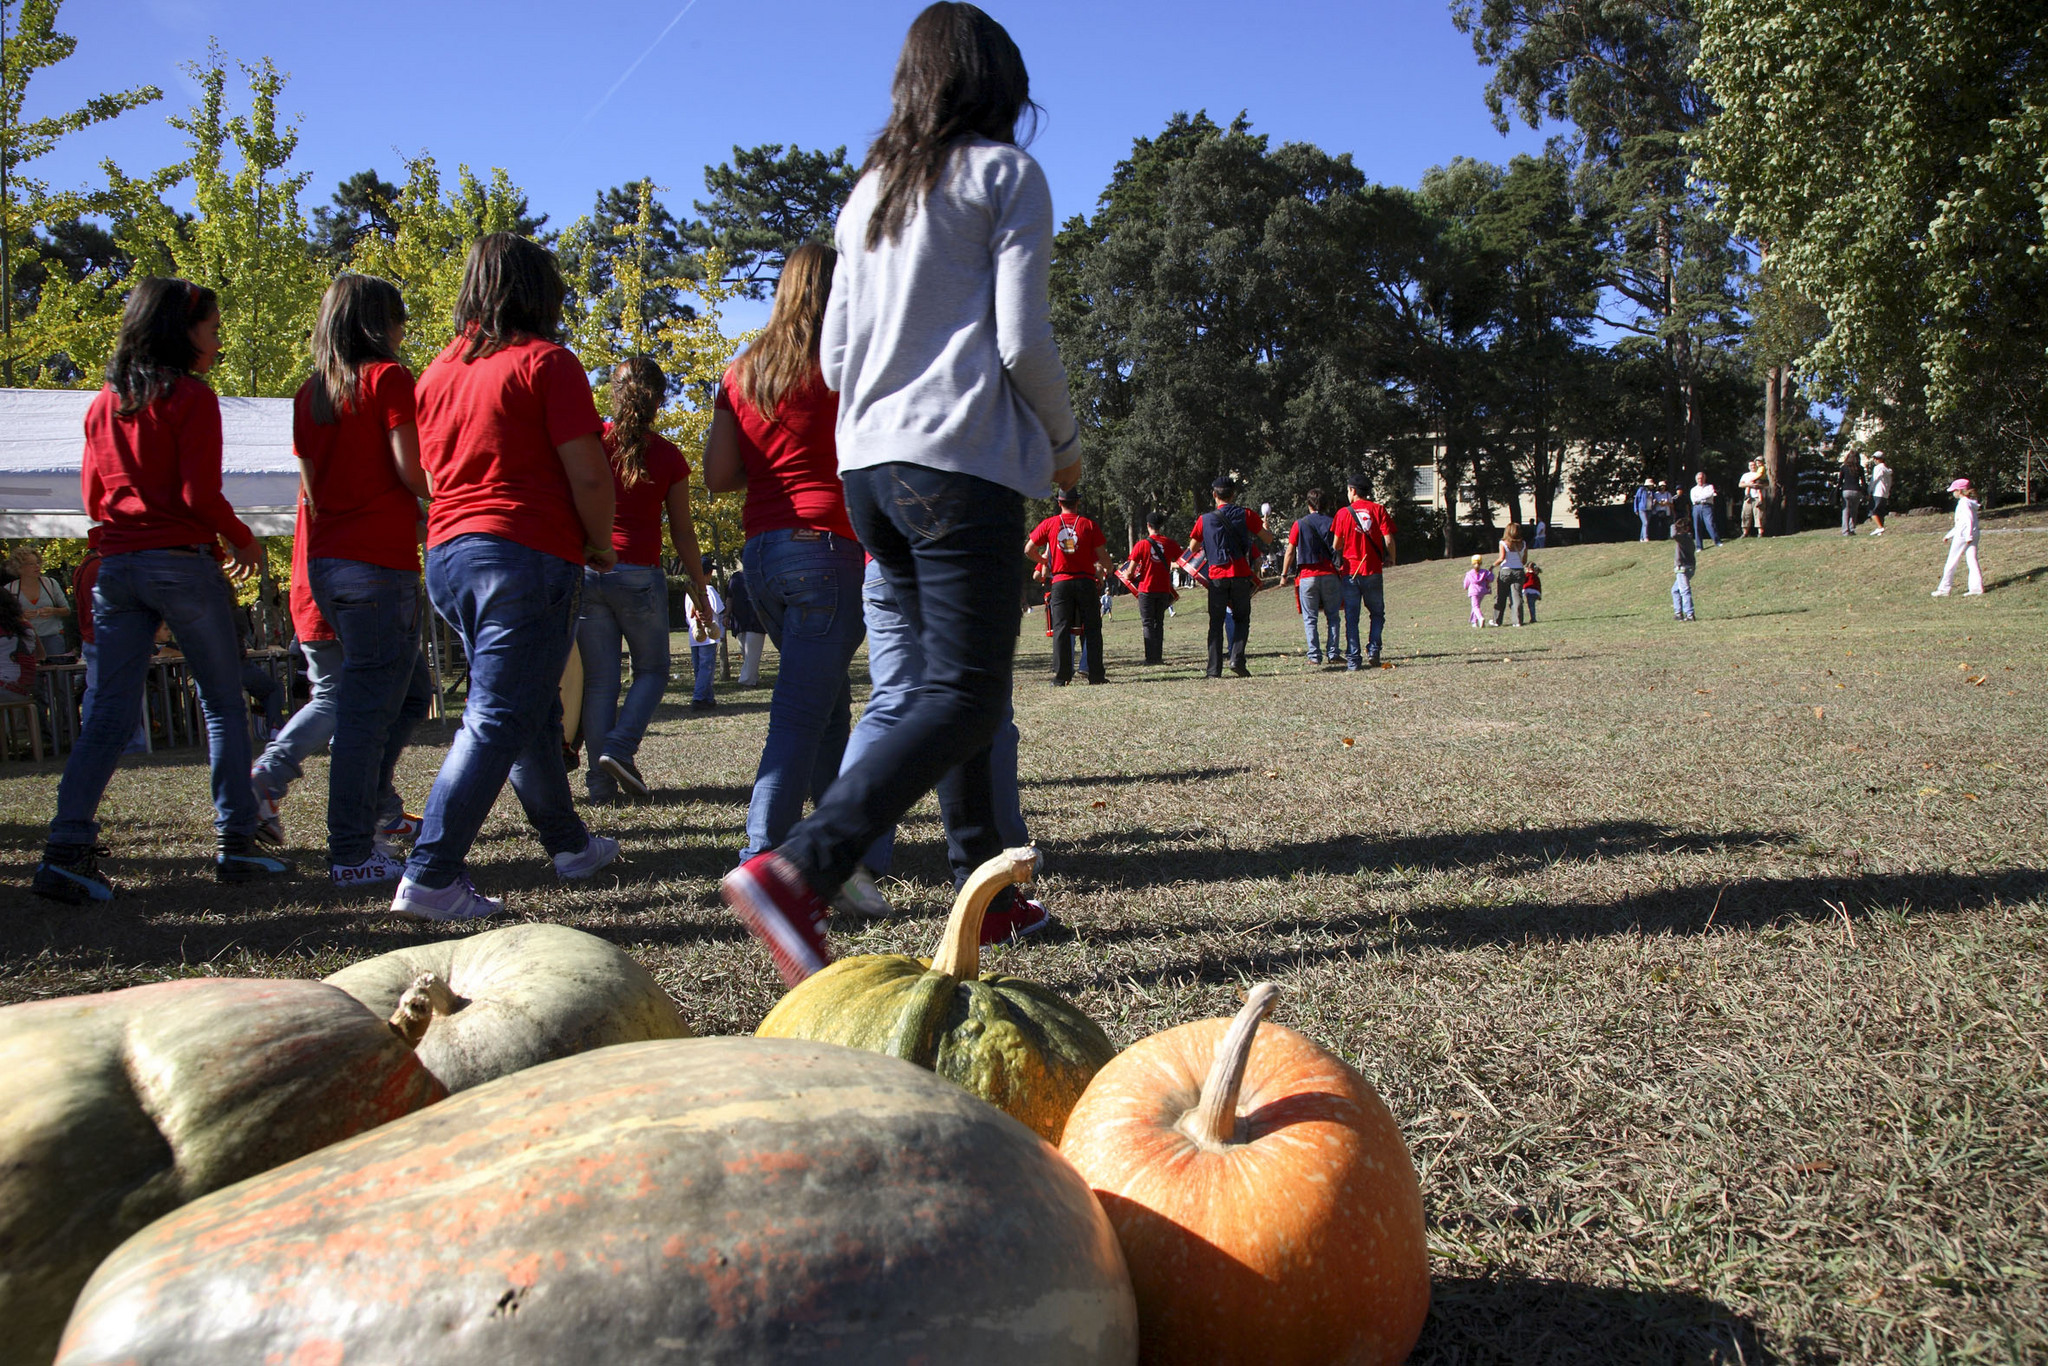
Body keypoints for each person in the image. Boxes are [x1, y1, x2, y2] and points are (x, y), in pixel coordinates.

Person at [720, 2, 1078, 986]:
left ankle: (987, 892)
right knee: (965, 693)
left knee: (943, 689)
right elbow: (1020, 342)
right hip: (957, 467)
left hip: (868, 473)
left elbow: (833, 355)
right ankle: (799, 869)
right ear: (999, 83)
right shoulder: (1005, 174)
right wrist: (1064, 440)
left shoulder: (869, 193)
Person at [32, 277, 287, 904]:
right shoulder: (192, 398)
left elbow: (93, 496)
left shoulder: (103, 404)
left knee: (108, 715)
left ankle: (66, 850)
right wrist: (243, 539)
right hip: (180, 562)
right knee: (223, 705)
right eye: (212, 329)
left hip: (114, 567)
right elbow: (199, 496)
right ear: (182, 331)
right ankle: (236, 843)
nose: (218, 342)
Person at [396, 233, 621, 921]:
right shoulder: (547, 363)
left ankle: (570, 845)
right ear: (539, 292)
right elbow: (586, 470)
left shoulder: (435, 373)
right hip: (522, 553)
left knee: (529, 708)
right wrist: (600, 541)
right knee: (498, 713)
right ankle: (431, 874)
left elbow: (429, 474)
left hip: (450, 554)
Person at [704, 242, 867, 867]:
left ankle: (835, 857)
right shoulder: (845, 362)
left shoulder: (741, 371)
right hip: (827, 548)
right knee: (802, 712)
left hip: (763, 555)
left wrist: (775, 463)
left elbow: (718, 474)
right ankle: (761, 856)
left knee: (824, 706)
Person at [290, 274, 436, 886]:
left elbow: (310, 484)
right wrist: (446, 500)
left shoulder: (311, 394)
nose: (405, 330)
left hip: (329, 562)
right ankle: (352, 850)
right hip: (378, 565)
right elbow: (412, 470)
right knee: (365, 713)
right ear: (381, 324)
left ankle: (370, 812)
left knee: (406, 694)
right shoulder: (388, 380)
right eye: (399, 318)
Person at [830, 553, 1047, 936]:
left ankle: (842, 855)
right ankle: (1004, 853)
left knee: (889, 707)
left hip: (883, 561)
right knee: (983, 709)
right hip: (956, 555)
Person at [577, 357, 712, 803]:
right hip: (638, 575)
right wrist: (699, 588)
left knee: (600, 683)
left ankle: (598, 785)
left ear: (613, 393)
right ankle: (620, 746)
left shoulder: (589, 442)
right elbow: (682, 532)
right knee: (652, 670)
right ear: (659, 400)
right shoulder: (668, 455)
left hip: (588, 570)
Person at [70, 530, 149, 754]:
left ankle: (99, 740)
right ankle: (125, 742)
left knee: (97, 690)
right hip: (109, 637)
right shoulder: (101, 567)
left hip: (94, 637)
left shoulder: (84, 567)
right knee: (116, 691)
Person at [1027, 485, 1114, 684]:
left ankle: (1061, 677)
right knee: (1092, 628)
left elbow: (1028, 549)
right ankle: (1096, 675)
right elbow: (1103, 557)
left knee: (1061, 629)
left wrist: (1043, 562)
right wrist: (1108, 570)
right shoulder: (1088, 525)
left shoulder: (1049, 524)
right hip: (1085, 581)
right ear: (1077, 502)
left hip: (1060, 582)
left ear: (1059, 503)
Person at [1190, 476, 1272, 678]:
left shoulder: (1204, 520)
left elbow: (1193, 547)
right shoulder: (1246, 514)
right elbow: (1267, 538)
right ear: (1233, 494)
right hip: (1240, 574)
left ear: (1214, 495)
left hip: (1217, 575)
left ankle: (1213, 670)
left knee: (1215, 623)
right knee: (1242, 618)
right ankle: (1237, 658)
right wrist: (1266, 522)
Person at [1330, 473, 1395, 669]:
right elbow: (1389, 539)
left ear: (1352, 490)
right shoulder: (1379, 510)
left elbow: (1336, 544)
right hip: (1373, 570)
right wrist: (1391, 558)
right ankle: (1374, 649)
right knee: (1377, 613)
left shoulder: (1343, 513)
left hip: (1351, 572)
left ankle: (1353, 660)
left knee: (1352, 617)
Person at [1281, 487, 1341, 666]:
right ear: (1327, 504)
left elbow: (1290, 551)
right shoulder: (1333, 522)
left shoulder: (1300, 524)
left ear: (1308, 504)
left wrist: (1284, 574)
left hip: (1307, 575)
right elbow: (1339, 547)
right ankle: (1333, 653)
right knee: (1333, 616)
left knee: (1310, 618)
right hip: (1330, 573)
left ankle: (1314, 655)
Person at [1123, 512, 1180, 665]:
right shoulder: (1169, 543)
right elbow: (1181, 561)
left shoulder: (1141, 545)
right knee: (1159, 623)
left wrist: (1128, 576)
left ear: (1148, 526)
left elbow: (1130, 571)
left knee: (1147, 623)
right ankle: (1158, 656)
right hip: (1163, 589)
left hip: (1146, 589)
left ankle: (1150, 658)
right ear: (1161, 526)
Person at [7, 546, 71, 659]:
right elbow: (5, 618)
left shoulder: (50, 584)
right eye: (31, 564)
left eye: (38, 563)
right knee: (32, 675)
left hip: (53, 638)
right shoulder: (10, 589)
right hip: (24, 640)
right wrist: (21, 616)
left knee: (57, 672)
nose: (37, 566)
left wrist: (53, 611)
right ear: (19, 568)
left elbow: (67, 610)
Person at [1931, 478, 1984, 597]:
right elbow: (1962, 523)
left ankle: (1944, 589)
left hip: (1964, 535)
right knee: (1972, 560)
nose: (1953, 493)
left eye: (1954, 490)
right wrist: (1949, 535)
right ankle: (1976, 588)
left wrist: (1968, 535)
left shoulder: (1963, 503)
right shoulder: (1970, 503)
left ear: (1959, 491)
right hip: (1972, 534)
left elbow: (1967, 520)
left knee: (1951, 561)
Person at [683, 566, 725, 710]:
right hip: (708, 636)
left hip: (694, 634)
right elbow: (719, 611)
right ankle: (698, 698)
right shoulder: (709, 590)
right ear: (707, 574)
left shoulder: (689, 592)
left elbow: (688, 616)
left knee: (699, 668)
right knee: (706, 668)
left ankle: (708, 698)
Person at [726, 565, 768, 686]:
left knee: (752, 652)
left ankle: (745, 680)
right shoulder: (735, 577)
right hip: (739, 619)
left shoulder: (760, 575)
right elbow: (730, 597)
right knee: (745, 652)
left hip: (755, 619)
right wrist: (727, 615)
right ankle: (753, 679)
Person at [1492, 523, 1529, 627]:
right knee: (1516, 596)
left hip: (1506, 571)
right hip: (1519, 571)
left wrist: (1492, 566)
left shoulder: (1503, 543)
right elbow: (1524, 560)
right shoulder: (1523, 544)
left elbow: (1501, 558)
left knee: (1501, 596)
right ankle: (1517, 621)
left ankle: (1497, 620)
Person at [1672, 516, 1697, 621]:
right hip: (1689, 567)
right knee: (1675, 590)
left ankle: (1689, 614)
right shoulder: (1688, 538)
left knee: (1684, 591)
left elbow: (1673, 534)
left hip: (1682, 568)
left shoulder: (1683, 538)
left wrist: (1672, 525)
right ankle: (1678, 613)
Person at [1689, 471, 1722, 547]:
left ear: (1704, 478)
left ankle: (1717, 542)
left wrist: (1700, 497)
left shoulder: (1709, 486)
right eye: (1698, 478)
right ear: (1696, 479)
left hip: (1707, 507)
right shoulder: (1693, 489)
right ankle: (1699, 546)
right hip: (1696, 507)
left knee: (1710, 524)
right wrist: (1703, 496)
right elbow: (1693, 499)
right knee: (1697, 526)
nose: (1700, 480)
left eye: (1701, 478)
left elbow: (1710, 495)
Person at [1839, 450, 1865, 536]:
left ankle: (1845, 531)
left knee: (1845, 511)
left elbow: (1840, 480)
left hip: (1846, 490)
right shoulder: (1860, 468)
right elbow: (1863, 482)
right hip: (1856, 490)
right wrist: (1865, 492)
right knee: (1854, 511)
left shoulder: (1844, 467)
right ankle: (1852, 529)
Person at [1867, 452, 1893, 536]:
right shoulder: (1887, 469)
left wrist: (1869, 491)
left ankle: (1879, 527)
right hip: (1885, 494)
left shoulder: (1878, 468)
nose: (1875, 460)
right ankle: (1880, 531)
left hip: (1877, 492)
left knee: (1872, 511)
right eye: (1874, 458)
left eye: (1877, 458)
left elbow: (1874, 480)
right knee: (1880, 513)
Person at [1738, 459, 1766, 537]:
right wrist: (1749, 485)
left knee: (1759, 515)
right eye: (1751, 465)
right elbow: (1740, 485)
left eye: (1754, 465)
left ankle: (1760, 532)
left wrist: (1757, 486)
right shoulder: (1746, 475)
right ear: (1748, 467)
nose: (1752, 466)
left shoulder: (1760, 474)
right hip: (1748, 498)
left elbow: (1766, 485)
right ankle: (1745, 532)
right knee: (1746, 514)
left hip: (1758, 497)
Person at [1462, 554, 1492, 627]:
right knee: (1476, 606)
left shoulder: (1469, 573)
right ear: (1481, 562)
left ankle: (1480, 618)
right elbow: (1491, 578)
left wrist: (1466, 587)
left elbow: (1465, 585)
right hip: (1482, 591)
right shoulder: (1485, 572)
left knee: (1475, 606)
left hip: (1473, 592)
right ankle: (1474, 622)